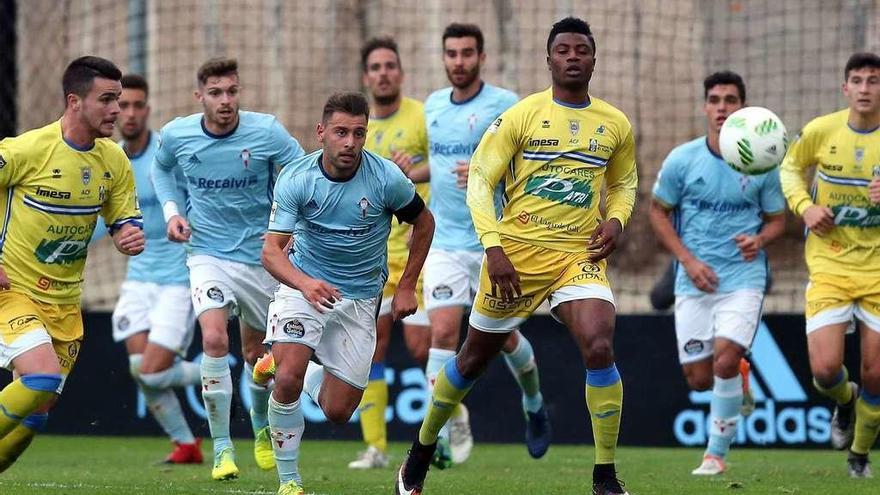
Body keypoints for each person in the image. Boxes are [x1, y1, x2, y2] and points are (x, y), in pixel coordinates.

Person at [397, 17, 637, 495]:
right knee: (469, 360)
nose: (572, 57)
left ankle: (605, 474)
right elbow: (481, 183)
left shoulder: (615, 124)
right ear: (548, 60)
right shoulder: (523, 115)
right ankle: (421, 450)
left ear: (594, 58)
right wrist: (494, 247)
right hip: (515, 258)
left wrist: (616, 220)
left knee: (599, 344)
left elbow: (624, 183)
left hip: (577, 256)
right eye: (563, 50)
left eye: (581, 50)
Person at [262, 92, 434, 495]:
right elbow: (271, 251)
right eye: (341, 132)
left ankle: (294, 364)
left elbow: (424, 223)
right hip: (304, 288)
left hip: (359, 300)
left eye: (359, 133)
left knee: (338, 411)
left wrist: (407, 284)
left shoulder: (386, 178)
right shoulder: (297, 178)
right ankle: (289, 481)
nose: (350, 142)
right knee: (286, 378)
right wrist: (304, 283)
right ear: (322, 133)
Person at [151, 57, 305, 480]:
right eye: (216, 93)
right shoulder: (178, 135)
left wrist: (287, 227)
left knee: (257, 356)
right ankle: (221, 449)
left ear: (240, 91)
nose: (225, 101)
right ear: (199, 95)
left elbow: (303, 172)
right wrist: (171, 212)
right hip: (206, 255)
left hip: (261, 259)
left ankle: (259, 427)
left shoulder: (267, 131)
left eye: (232, 91)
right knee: (215, 339)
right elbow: (160, 169)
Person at [0, 56, 144, 471]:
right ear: (74, 101)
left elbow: (123, 221)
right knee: (41, 377)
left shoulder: (114, 160)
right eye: (108, 99)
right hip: (13, 292)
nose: (117, 110)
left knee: (36, 415)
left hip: (65, 305)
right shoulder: (28, 149)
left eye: (118, 99)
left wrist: (127, 235)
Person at [421, 22, 550, 467]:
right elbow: (437, 167)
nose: (459, 62)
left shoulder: (505, 105)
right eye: (452, 54)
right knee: (442, 332)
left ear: (482, 57)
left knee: (505, 337)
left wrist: (485, 170)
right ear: (443, 58)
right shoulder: (434, 106)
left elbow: (529, 168)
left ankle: (533, 404)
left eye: (467, 53)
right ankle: (447, 423)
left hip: (494, 240)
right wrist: (406, 171)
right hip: (444, 242)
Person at [649, 71, 785, 475]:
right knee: (699, 379)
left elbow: (778, 221)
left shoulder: (763, 160)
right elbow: (657, 212)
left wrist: (759, 241)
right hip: (692, 280)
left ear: (744, 107)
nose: (722, 107)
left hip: (744, 278)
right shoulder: (682, 159)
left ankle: (715, 455)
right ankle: (740, 376)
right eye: (715, 100)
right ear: (705, 107)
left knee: (724, 361)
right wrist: (687, 261)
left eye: (730, 99)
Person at [780, 51, 880, 478]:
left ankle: (858, 454)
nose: (864, 88)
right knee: (824, 371)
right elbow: (789, 167)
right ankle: (844, 401)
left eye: (873, 80)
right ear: (845, 88)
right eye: (856, 80)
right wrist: (804, 207)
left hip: (877, 271)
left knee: (876, 375)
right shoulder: (822, 130)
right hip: (829, 267)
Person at [347, 35, 432, 470]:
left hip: (418, 251)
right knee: (372, 349)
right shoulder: (359, 131)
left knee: (422, 346)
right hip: (373, 259)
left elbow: (448, 164)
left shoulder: (423, 115)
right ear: (366, 76)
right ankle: (376, 447)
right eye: (375, 67)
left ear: (400, 72)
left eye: (390, 65)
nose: (383, 73)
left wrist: (411, 173)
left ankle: (446, 425)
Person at [110, 74, 202, 464]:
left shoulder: (167, 154)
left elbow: (196, 195)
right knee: (138, 368)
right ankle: (185, 445)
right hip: (138, 278)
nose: (129, 113)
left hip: (178, 279)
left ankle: (217, 374)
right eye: (122, 105)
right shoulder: (110, 158)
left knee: (151, 372)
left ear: (147, 110)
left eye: (136, 105)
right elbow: (102, 218)